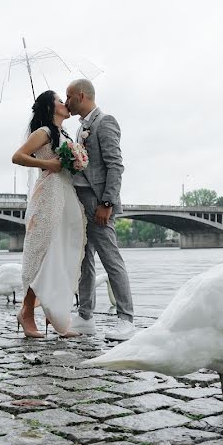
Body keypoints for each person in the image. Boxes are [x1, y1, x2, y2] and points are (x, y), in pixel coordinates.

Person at [11, 90, 87, 338]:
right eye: (58, 99)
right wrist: (49, 164)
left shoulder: (64, 134)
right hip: (48, 195)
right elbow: (18, 156)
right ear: (49, 107)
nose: (64, 103)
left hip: (65, 193)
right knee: (43, 252)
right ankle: (26, 311)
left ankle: (55, 315)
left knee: (60, 253)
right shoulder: (43, 132)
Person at [65, 79, 136, 341]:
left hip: (97, 204)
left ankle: (126, 320)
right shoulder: (81, 127)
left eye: (69, 96)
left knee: (111, 260)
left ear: (81, 96)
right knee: (84, 261)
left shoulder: (105, 122)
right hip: (80, 203)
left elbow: (115, 165)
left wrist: (107, 203)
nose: (66, 101)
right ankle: (85, 316)